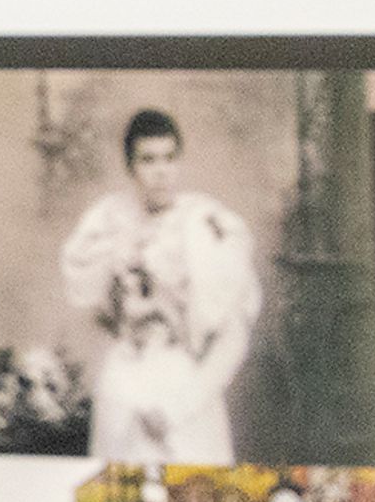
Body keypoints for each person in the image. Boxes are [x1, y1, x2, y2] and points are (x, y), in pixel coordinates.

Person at [59, 105, 260, 466]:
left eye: (169, 158)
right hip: (122, 386)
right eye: (148, 160)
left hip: (182, 388)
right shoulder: (109, 221)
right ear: (130, 167)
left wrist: (178, 407)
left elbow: (233, 338)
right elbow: (100, 313)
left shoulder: (204, 225)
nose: (161, 172)